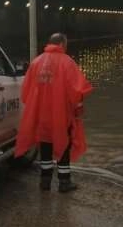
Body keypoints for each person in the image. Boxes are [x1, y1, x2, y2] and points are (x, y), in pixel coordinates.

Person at [15, 33, 93, 193]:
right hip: (61, 114)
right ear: (62, 44)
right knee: (63, 143)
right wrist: (78, 108)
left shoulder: (36, 62)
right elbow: (77, 90)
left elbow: (26, 92)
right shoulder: (67, 62)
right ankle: (64, 182)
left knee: (45, 145)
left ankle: (45, 181)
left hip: (41, 114)